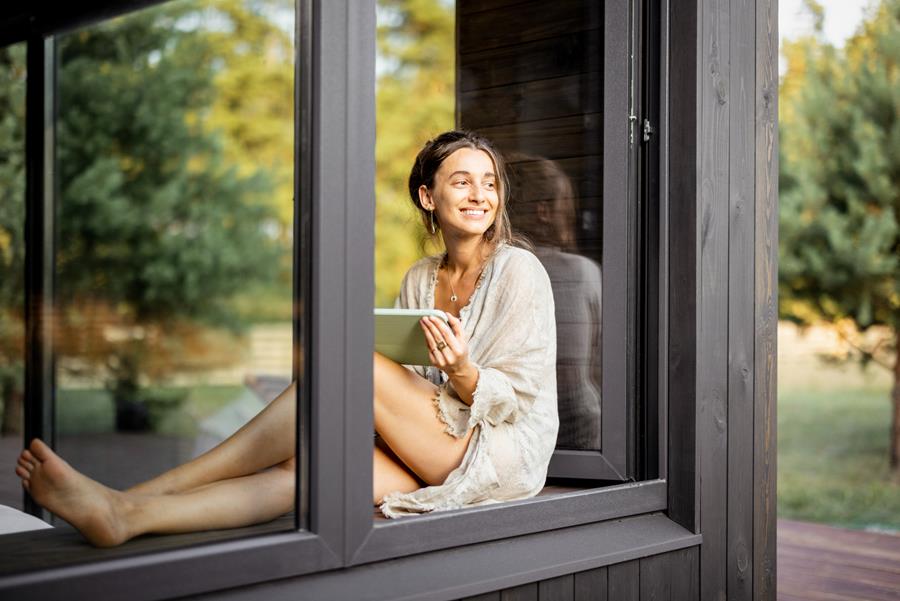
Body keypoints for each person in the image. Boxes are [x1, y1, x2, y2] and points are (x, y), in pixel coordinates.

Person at [14, 130, 559, 546]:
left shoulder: (519, 271)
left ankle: (139, 491)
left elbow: (516, 400)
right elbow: (414, 389)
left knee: (350, 365)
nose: (479, 195)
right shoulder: (420, 276)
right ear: (427, 196)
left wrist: (462, 370)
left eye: (489, 183)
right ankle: (126, 515)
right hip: (438, 440)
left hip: (500, 452)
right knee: (301, 473)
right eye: (461, 181)